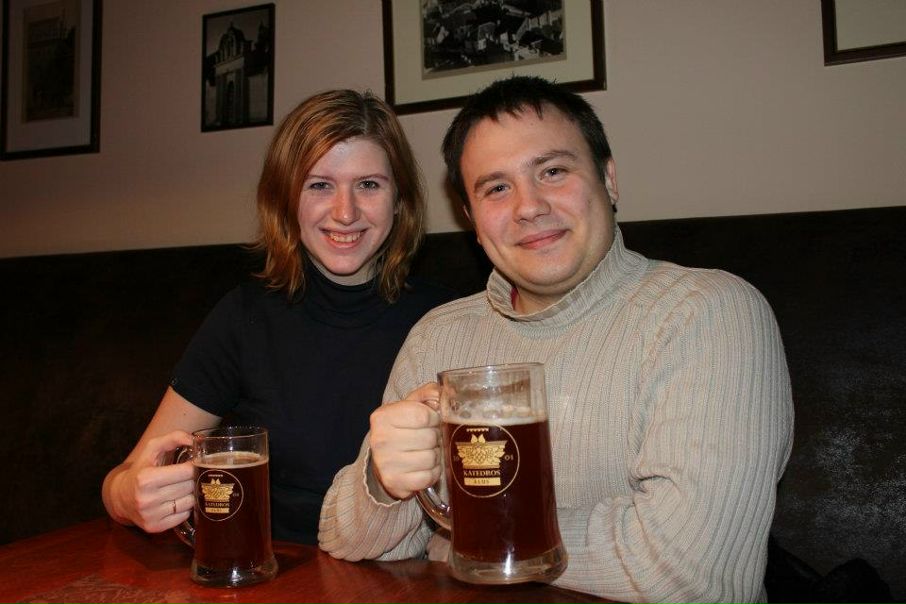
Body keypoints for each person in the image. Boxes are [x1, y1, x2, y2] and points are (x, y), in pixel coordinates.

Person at [318, 76, 794, 604]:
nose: (529, 206)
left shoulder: (708, 313)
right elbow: (343, 540)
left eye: (552, 171)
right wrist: (383, 483)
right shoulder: (438, 335)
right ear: (471, 218)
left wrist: (464, 542)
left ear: (608, 179)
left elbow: (690, 573)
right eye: (496, 188)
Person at [101, 89, 456, 544]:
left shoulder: (446, 321)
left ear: (399, 199)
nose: (345, 212)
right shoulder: (244, 316)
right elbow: (124, 478)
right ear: (286, 199)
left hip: (396, 568)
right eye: (319, 185)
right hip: (270, 567)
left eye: (369, 185)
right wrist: (130, 497)